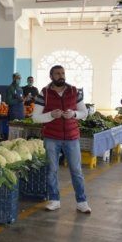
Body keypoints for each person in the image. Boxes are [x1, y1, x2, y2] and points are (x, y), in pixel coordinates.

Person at [32, 65, 91, 214]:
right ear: (51, 76)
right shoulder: (44, 93)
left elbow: (84, 112)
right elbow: (35, 118)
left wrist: (74, 114)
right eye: (57, 73)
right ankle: (54, 200)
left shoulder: (73, 91)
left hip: (72, 137)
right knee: (52, 170)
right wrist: (51, 115)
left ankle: (82, 202)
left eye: (63, 73)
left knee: (76, 170)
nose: (61, 75)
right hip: (51, 137)